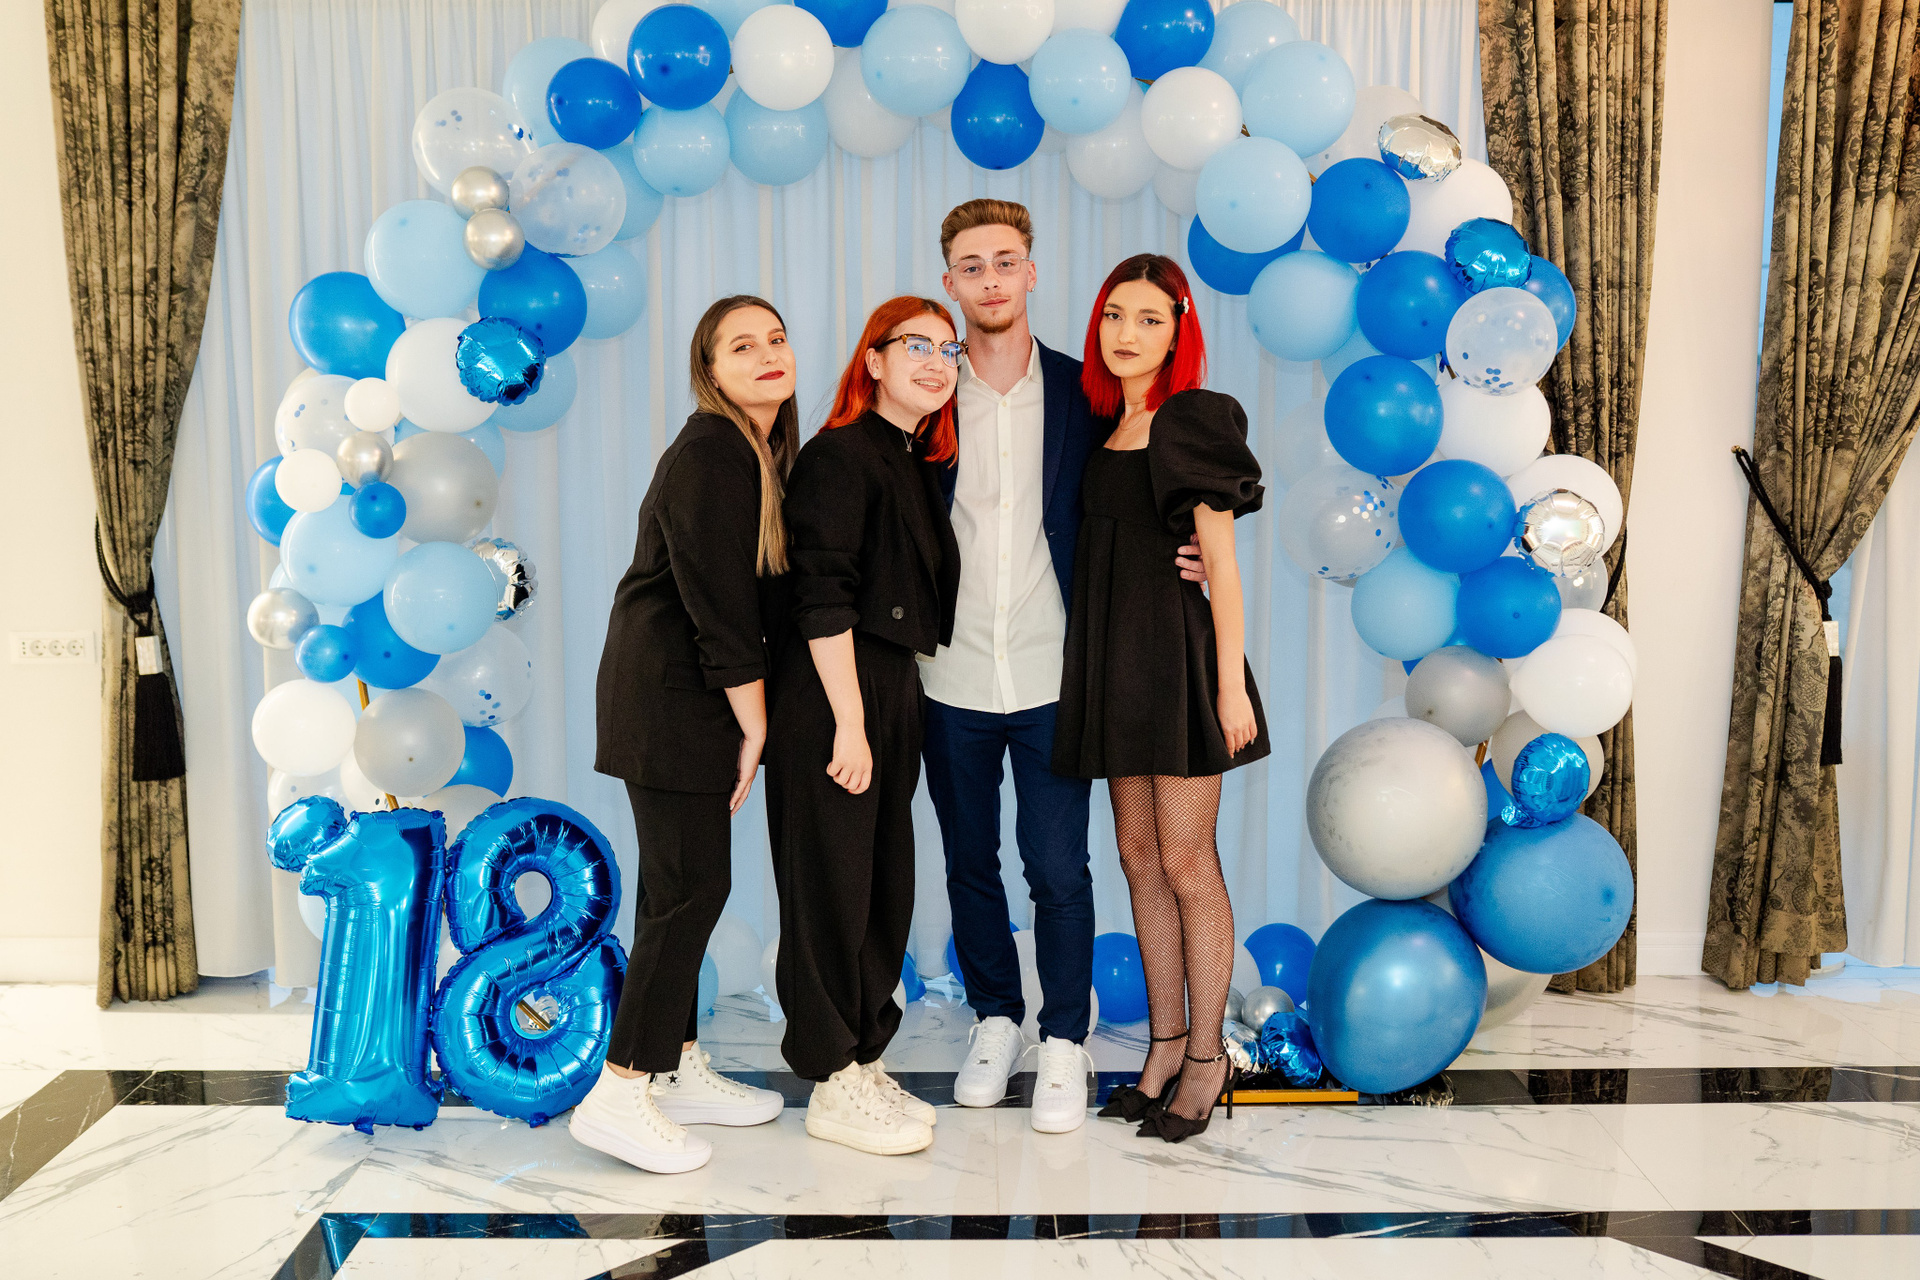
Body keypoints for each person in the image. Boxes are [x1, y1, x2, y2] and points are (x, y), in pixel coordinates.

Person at [926, 200, 1204, 1134]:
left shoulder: (1087, 391)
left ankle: (1062, 1039)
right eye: (972, 266)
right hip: (949, 674)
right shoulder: (928, 392)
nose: (991, 279)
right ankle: (995, 1019)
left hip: (1058, 674)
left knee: (1058, 867)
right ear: (951, 282)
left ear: (1032, 273)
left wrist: (1195, 552)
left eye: (1006, 261)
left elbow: (1149, 483)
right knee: (970, 862)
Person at [574, 296, 797, 1175]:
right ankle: (620, 1091)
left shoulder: (752, 451)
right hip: (671, 699)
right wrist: (756, 723)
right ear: (711, 371)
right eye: (742, 346)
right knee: (688, 891)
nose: (767, 354)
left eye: (776, 338)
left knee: (681, 886)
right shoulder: (712, 450)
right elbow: (717, 603)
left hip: (683, 696)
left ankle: (672, 1067)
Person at [1052, 254, 1269, 1144]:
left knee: (1186, 861)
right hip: (1114, 665)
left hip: (1178, 664)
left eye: (1149, 318)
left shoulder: (1191, 418)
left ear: (1179, 331)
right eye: (1114, 315)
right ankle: (1164, 1045)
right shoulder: (1104, 423)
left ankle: (1209, 1057)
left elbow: (1221, 566)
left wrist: (1229, 687)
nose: (1127, 333)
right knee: (1138, 858)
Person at [767, 296, 962, 1156]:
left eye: (948, 350)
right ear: (873, 361)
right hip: (831, 688)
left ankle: (862, 1054)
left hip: (888, 683)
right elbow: (821, 597)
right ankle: (829, 1077)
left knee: (882, 882)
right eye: (915, 344)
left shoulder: (910, 458)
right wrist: (849, 721)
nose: (935, 361)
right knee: (830, 887)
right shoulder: (840, 455)